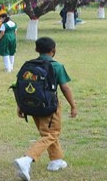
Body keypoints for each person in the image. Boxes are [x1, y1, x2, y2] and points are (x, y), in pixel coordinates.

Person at [13, 37, 78, 181]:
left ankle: (56, 161)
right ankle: (27, 159)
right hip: (49, 106)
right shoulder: (56, 66)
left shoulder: (28, 65)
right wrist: (73, 106)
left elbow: (22, 87)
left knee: (47, 133)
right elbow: (65, 88)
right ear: (53, 51)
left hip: (31, 105)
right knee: (52, 133)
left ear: (36, 50)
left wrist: (20, 106)